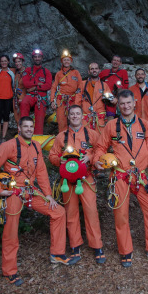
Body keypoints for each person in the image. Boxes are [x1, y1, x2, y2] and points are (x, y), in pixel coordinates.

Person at [0, 116, 75, 286]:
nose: (28, 129)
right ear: (19, 128)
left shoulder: (35, 146)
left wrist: (48, 194)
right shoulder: (8, 146)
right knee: (11, 231)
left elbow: (41, 171)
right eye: (25, 126)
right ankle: (9, 270)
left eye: (31, 126)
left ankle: (57, 253)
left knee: (58, 212)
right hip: (13, 191)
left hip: (30, 190)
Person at [93, 90, 148, 267]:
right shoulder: (111, 126)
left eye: (128, 103)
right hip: (120, 176)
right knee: (121, 214)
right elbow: (100, 147)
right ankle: (125, 251)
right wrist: (97, 160)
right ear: (118, 105)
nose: (125, 106)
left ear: (134, 104)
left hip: (140, 176)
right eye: (122, 104)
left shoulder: (145, 125)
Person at [48, 105, 106, 264]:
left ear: (83, 116)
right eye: (72, 114)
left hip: (87, 179)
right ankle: (75, 246)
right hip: (67, 182)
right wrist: (61, 160)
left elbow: (101, 151)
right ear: (68, 116)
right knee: (71, 213)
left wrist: (90, 157)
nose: (74, 116)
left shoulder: (92, 134)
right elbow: (52, 156)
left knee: (91, 211)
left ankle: (97, 246)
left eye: (77, 114)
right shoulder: (61, 136)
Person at [20, 49, 52, 134]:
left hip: (41, 97)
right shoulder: (28, 70)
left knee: (40, 116)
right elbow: (26, 83)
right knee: (24, 103)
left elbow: (48, 85)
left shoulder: (46, 72)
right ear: (33, 58)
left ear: (42, 58)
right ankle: (23, 131)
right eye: (35, 57)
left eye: (39, 57)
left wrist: (34, 87)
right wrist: (38, 83)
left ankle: (38, 136)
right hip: (30, 95)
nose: (37, 58)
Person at [50, 50, 83, 133]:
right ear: (62, 61)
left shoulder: (76, 73)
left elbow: (80, 87)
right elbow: (54, 87)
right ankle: (63, 140)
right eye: (64, 60)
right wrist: (52, 101)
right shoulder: (59, 74)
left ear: (71, 61)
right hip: (61, 101)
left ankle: (75, 137)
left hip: (73, 100)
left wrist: (77, 102)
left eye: (68, 60)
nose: (66, 61)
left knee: (74, 120)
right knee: (61, 121)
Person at [80, 63, 113, 133]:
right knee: (85, 139)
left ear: (99, 70)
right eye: (92, 69)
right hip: (86, 119)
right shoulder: (82, 85)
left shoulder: (104, 85)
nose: (94, 70)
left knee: (99, 140)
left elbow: (111, 101)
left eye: (96, 68)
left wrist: (110, 116)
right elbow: (77, 101)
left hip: (100, 119)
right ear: (89, 71)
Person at [0, 55, 15, 144]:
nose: (4, 63)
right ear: (0, 63)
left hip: (8, 98)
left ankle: (4, 137)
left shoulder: (11, 73)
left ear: (8, 62)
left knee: (6, 117)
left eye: (5, 61)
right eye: (2, 61)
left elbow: (13, 85)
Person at [99, 55, 129, 119]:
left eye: (118, 61)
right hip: (106, 99)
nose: (115, 62)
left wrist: (119, 97)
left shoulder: (123, 72)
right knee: (108, 119)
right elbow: (97, 81)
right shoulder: (105, 72)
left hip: (118, 99)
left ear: (120, 63)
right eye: (114, 60)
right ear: (111, 61)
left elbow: (126, 87)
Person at [12, 53, 26, 124]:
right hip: (15, 97)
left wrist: (23, 96)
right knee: (16, 116)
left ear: (22, 62)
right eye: (16, 62)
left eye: (19, 61)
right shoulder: (15, 72)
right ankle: (19, 131)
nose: (17, 63)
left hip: (23, 96)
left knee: (23, 115)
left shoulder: (27, 72)